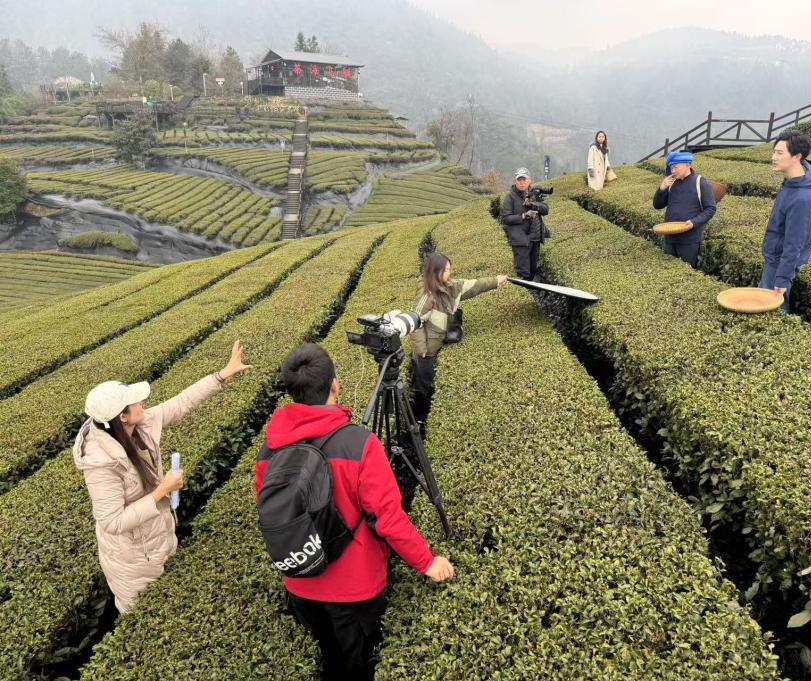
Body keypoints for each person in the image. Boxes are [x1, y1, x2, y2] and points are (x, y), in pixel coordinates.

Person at [258, 343, 455, 681]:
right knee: (358, 666)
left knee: (327, 657)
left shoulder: (269, 449)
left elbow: (273, 512)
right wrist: (427, 561)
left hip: (300, 583)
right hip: (354, 592)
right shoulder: (360, 445)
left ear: (291, 392)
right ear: (335, 384)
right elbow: (389, 519)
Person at [73, 341, 252, 613]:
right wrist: (162, 491)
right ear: (122, 417)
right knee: (144, 614)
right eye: (135, 402)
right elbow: (112, 521)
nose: (142, 402)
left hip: (159, 537)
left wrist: (222, 375)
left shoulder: (140, 424)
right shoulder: (101, 464)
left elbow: (181, 404)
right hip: (133, 559)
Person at [410, 253, 508, 427]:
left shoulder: (450, 286)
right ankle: (422, 418)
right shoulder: (426, 295)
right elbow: (415, 322)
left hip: (443, 339)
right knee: (426, 384)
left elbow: (474, 285)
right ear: (436, 272)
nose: (450, 272)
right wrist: (421, 349)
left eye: (449, 269)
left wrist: (496, 281)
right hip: (429, 349)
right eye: (446, 270)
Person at [760, 129, 811, 313]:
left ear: (797, 157)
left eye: (779, 153)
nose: (773, 157)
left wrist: (782, 279)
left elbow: (794, 242)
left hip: (779, 264)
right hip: (775, 259)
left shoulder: (802, 197)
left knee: (772, 313)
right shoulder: (792, 183)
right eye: (774, 152)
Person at [652, 151, 717, 268]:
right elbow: (657, 205)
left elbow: (710, 208)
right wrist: (662, 188)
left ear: (687, 165)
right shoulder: (672, 183)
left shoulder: (700, 182)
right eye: (671, 168)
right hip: (669, 238)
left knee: (686, 271)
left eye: (675, 167)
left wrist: (693, 222)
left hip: (689, 240)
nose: (672, 171)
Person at [500, 167, 550, 280]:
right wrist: (523, 216)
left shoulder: (534, 194)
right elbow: (506, 218)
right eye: (519, 180)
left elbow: (546, 210)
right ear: (515, 181)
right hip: (520, 240)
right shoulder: (510, 197)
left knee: (532, 271)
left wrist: (533, 204)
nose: (522, 182)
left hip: (535, 238)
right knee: (523, 273)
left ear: (529, 180)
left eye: (524, 179)